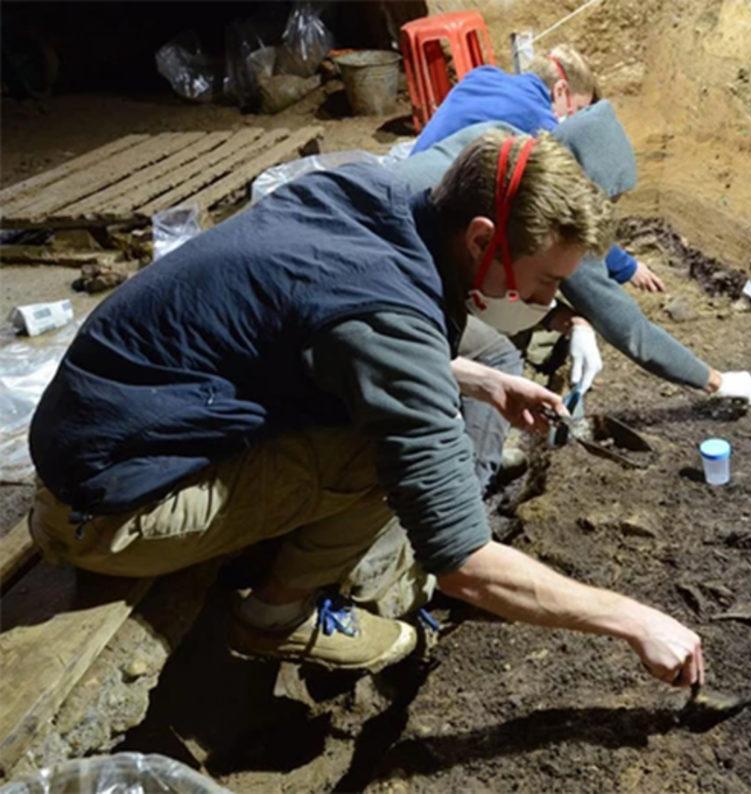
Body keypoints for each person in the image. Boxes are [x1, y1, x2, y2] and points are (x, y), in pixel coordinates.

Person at [26, 132, 705, 688]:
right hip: (104, 509)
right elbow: (463, 562)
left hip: (106, 424)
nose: (545, 303)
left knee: (399, 415)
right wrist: (636, 621)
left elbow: (330, 328)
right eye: (545, 283)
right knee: (382, 455)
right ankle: (275, 617)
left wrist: (479, 379)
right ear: (480, 239)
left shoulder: (376, 195)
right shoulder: (390, 316)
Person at [391, 103, 751, 490]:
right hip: (401, 291)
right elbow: (629, 328)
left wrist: (572, 319)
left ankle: (476, 457)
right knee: (492, 358)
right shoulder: (545, 224)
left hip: (411, 261)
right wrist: (715, 381)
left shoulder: (506, 153)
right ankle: (471, 480)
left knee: (487, 353)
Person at [414, 45, 664, 294]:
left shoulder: (484, 75)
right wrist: (627, 267)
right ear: (560, 90)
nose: (573, 120)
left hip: (415, 170)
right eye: (577, 110)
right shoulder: (541, 130)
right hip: (436, 234)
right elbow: (575, 213)